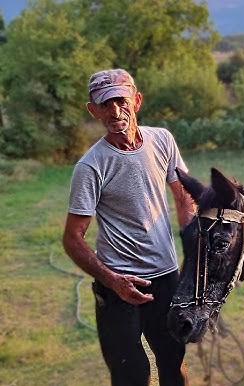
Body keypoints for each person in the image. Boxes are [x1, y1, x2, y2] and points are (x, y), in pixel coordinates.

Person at [62, 69, 194, 386]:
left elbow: (184, 197)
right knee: (130, 374)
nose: (115, 111)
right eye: (105, 105)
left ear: (136, 101)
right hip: (118, 284)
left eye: (121, 101)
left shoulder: (162, 140)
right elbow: (72, 238)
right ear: (93, 110)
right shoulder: (91, 165)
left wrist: (190, 253)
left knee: (174, 364)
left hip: (165, 277)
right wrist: (111, 279)